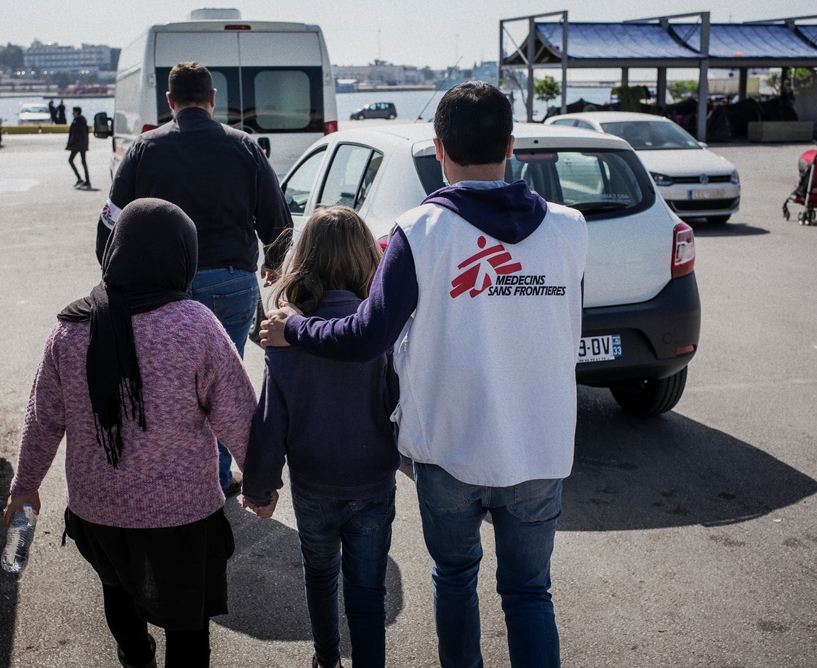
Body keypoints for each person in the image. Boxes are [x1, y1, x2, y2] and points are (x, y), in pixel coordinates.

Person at [260, 81, 588, 668]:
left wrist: (295, 330)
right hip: (540, 446)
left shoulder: (422, 231)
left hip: (451, 447)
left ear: (439, 148)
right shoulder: (569, 227)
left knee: (457, 579)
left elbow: (367, 336)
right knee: (529, 593)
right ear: (511, 145)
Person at [4, 198, 257, 668]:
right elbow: (238, 412)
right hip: (181, 516)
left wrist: (25, 487)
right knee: (188, 620)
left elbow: (43, 418)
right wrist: (260, 483)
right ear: (183, 257)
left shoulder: (70, 329)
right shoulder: (196, 326)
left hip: (99, 511)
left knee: (117, 590)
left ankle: (135, 655)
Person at [98, 60, 292, 497]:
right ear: (212, 99)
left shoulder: (143, 150)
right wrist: (274, 261)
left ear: (169, 101)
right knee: (224, 381)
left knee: (164, 382)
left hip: (163, 291)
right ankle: (218, 479)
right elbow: (278, 219)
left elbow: (110, 224)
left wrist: (111, 276)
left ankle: (171, 477)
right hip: (233, 285)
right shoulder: (245, 147)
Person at [242, 206, 400, 668]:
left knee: (320, 577)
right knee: (368, 591)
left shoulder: (284, 337)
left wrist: (259, 484)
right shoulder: (379, 331)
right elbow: (399, 405)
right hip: (373, 483)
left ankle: (326, 659)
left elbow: (271, 420)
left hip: (313, 486)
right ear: (365, 260)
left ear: (303, 259)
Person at [66, 106, 91, 189]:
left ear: (76, 112)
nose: (72, 113)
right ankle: (87, 180)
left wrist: (70, 144)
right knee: (83, 162)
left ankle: (79, 178)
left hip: (77, 145)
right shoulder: (83, 121)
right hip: (83, 144)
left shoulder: (76, 121)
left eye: (73, 112)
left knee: (70, 160)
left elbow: (74, 135)